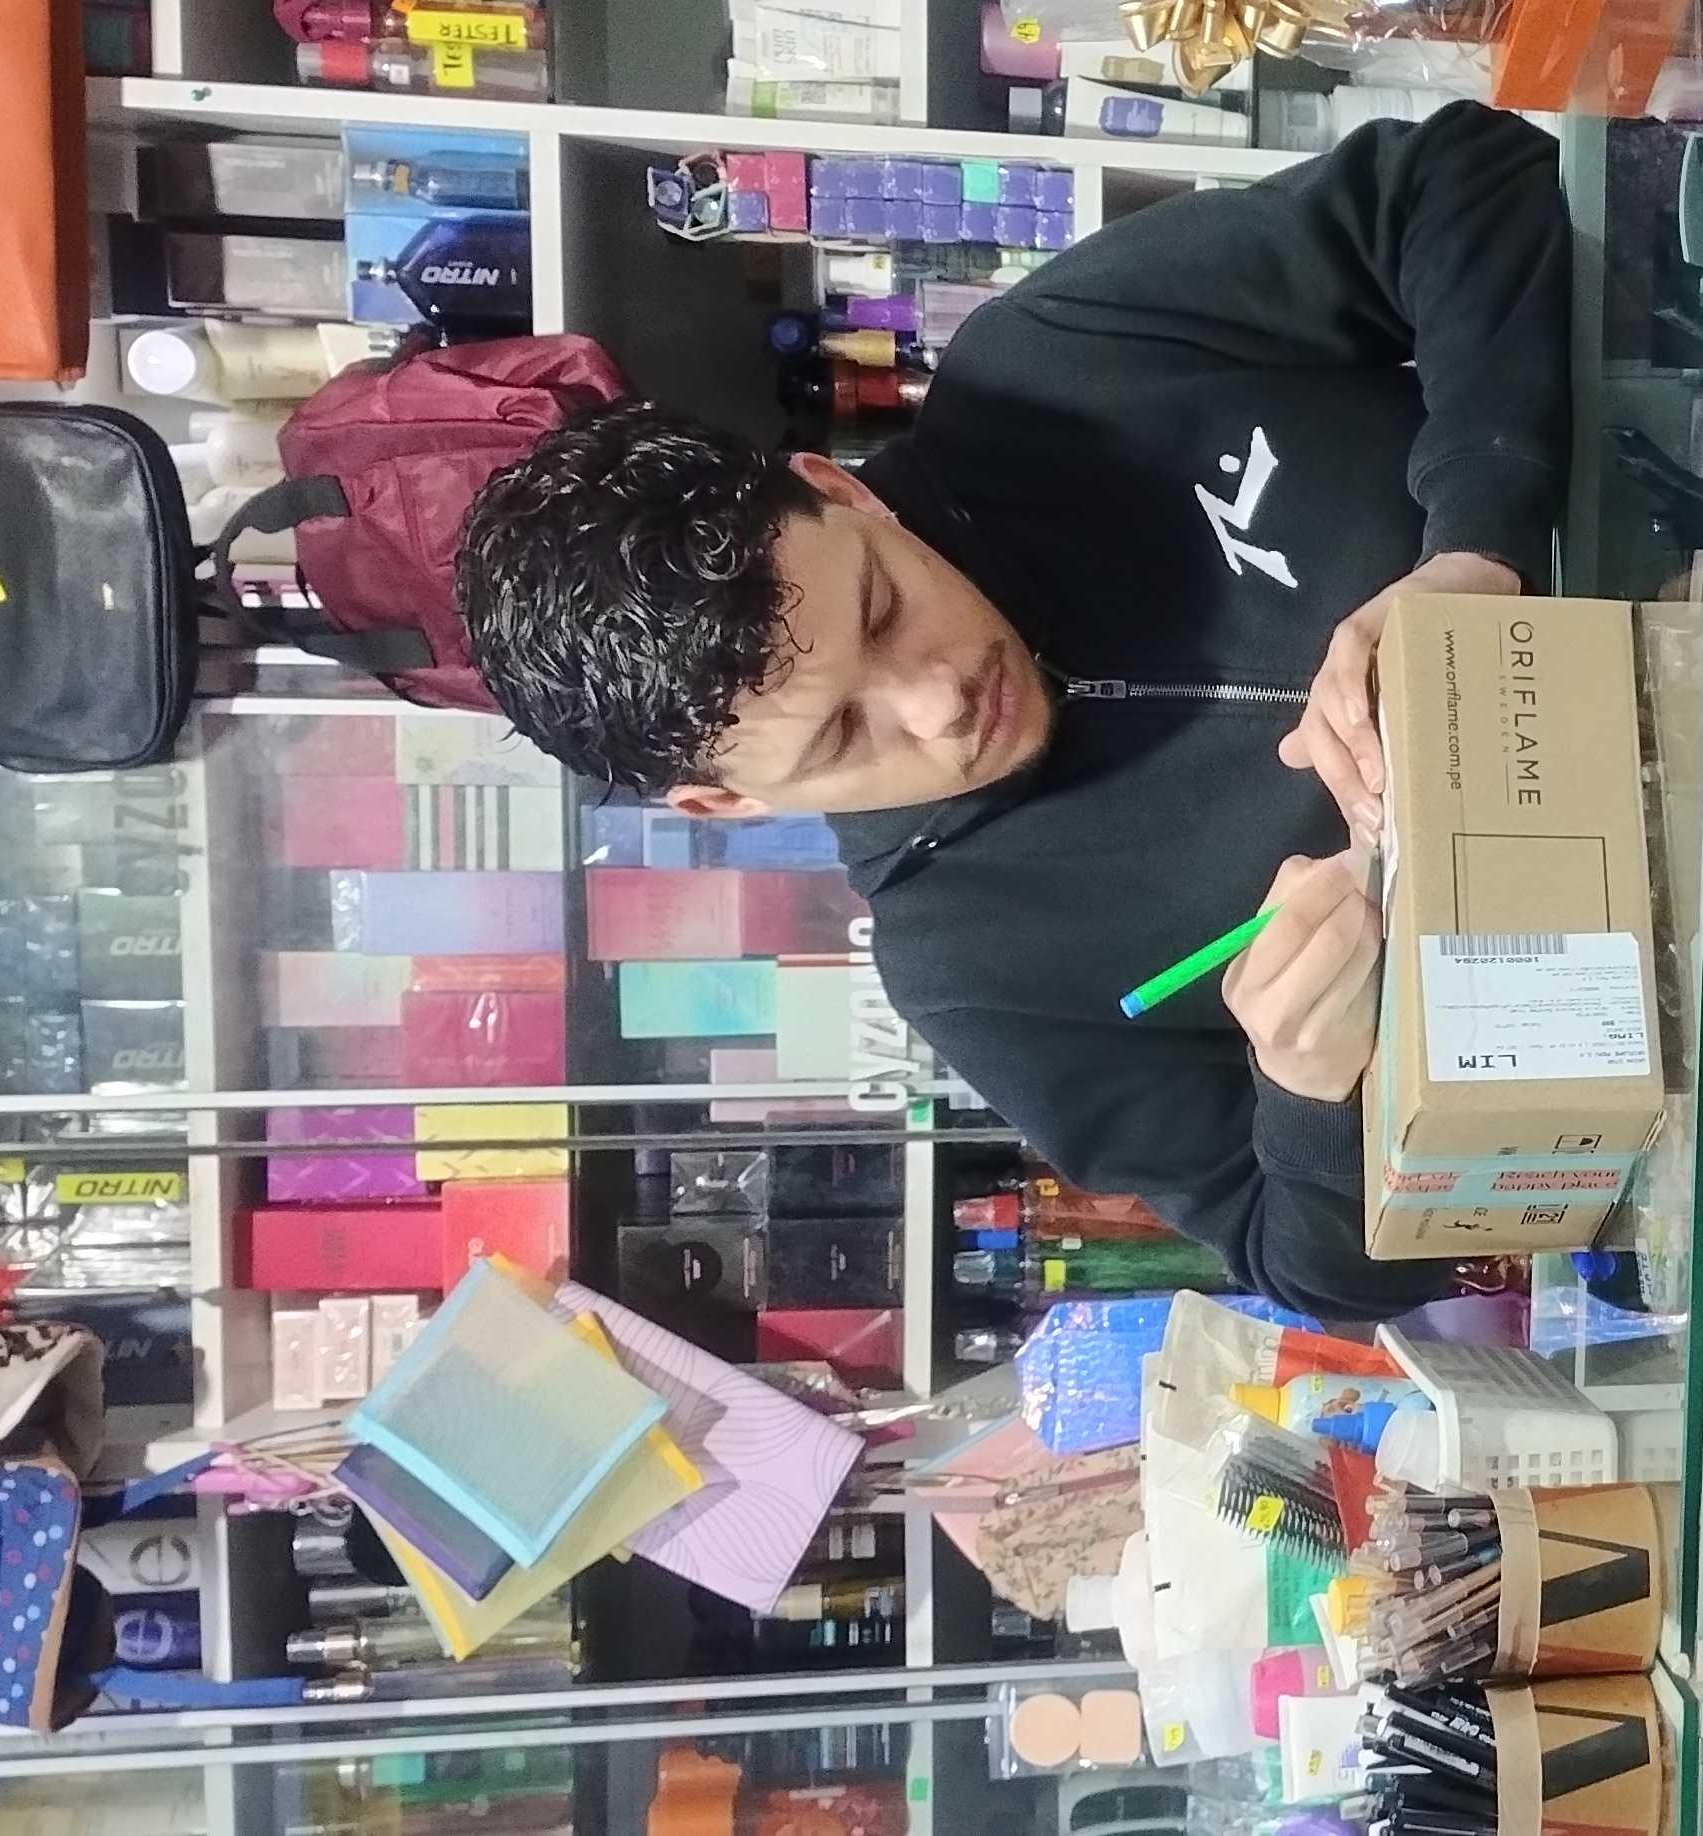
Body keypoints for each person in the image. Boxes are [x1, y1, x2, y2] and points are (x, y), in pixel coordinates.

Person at [454, 102, 1566, 1319]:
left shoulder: (1050, 367)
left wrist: (1477, 542)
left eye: (882, 608)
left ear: (839, 490)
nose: (940, 699)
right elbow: (1319, 1274)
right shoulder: (975, 971)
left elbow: (1459, 173)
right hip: (1683, 955)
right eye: (841, 736)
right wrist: (1314, 1090)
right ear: (727, 803)